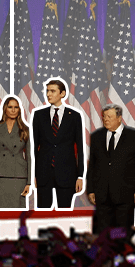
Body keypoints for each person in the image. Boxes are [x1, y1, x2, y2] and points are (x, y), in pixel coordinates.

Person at [85, 103, 135, 232]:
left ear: (119, 118)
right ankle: (107, 252)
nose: (105, 119)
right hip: (102, 195)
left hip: (125, 194)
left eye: (109, 117)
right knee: (104, 233)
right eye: (104, 117)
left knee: (122, 232)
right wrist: (91, 190)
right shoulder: (96, 136)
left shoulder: (133, 136)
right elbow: (93, 165)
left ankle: (121, 251)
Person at [32, 79, 85, 210]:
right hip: (43, 173)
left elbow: (80, 148)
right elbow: (33, 147)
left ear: (62, 94)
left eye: (52, 91)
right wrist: (33, 174)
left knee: (65, 213)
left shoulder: (75, 116)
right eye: (47, 91)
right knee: (42, 214)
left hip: (67, 173)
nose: (48, 94)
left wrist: (80, 176)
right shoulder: (39, 115)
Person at [0, 96, 31, 210]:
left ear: (19, 110)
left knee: (17, 216)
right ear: (5, 109)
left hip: (18, 177)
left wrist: (29, 183)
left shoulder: (25, 129)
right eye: (10, 107)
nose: (13, 110)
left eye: (16, 107)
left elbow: (29, 157)